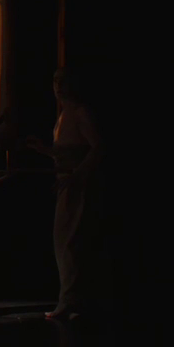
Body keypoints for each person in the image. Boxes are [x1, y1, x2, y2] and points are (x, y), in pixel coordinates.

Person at [28, 68, 104, 320]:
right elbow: (66, 152)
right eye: (55, 81)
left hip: (78, 186)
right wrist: (43, 150)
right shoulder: (64, 115)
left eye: (64, 81)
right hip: (66, 184)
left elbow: (98, 148)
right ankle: (72, 299)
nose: (58, 86)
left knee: (70, 242)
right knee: (64, 242)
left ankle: (72, 301)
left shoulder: (81, 112)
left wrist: (77, 176)